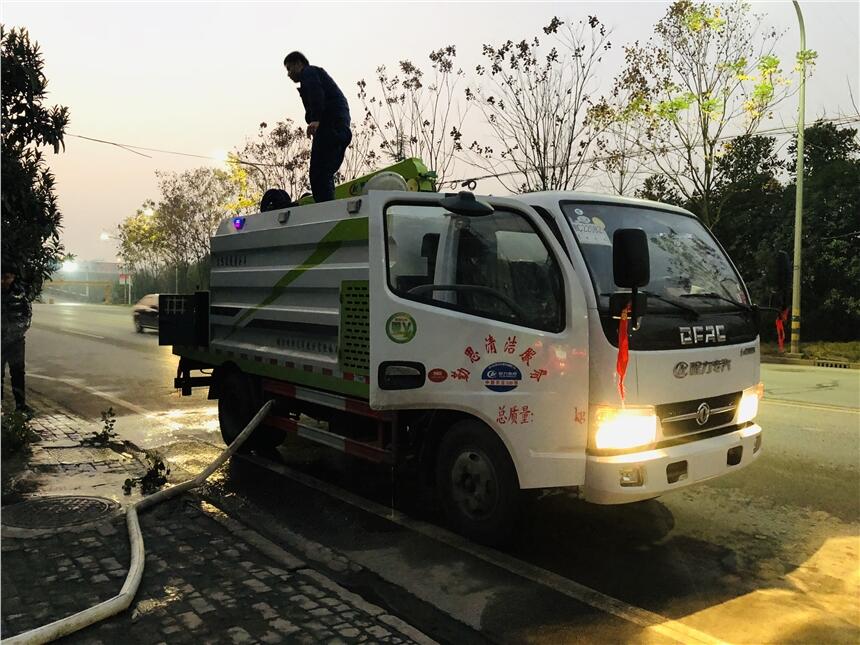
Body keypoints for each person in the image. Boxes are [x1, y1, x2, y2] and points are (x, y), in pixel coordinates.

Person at [284, 51, 352, 203]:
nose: (288, 74)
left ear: (299, 63)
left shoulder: (309, 73)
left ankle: (326, 208)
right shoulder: (314, 76)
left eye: (289, 68)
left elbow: (316, 94)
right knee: (324, 171)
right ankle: (327, 204)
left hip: (331, 125)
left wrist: (316, 119)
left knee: (319, 173)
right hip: (339, 127)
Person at [2, 263, 33, 417]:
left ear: (13, 277)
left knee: (18, 373)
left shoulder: (20, 294)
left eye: (6, 277)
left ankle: (20, 405)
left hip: (16, 341)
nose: (3, 281)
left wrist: (16, 332)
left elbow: (27, 315)